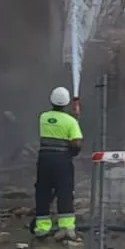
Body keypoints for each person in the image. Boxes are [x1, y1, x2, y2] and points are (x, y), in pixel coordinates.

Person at [33, 86, 83, 240]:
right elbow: (77, 144)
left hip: (44, 160)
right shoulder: (71, 122)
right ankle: (67, 227)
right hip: (62, 161)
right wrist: (75, 120)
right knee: (65, 193)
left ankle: (42, 228)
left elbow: (56, 123)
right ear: (67, 102)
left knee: (42, 193)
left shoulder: (43, 117)